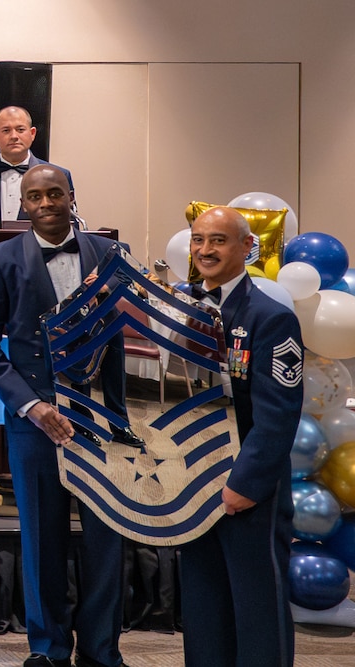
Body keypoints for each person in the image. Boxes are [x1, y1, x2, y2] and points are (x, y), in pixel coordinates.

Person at [0, 166, 125, 667]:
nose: (46, 203)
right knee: (40, 538)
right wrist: (30, 406)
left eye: (55, 193)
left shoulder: (111, 255)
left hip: (103, 421)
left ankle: (101, 652)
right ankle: (49, 649)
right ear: (24, 205)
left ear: (72, 196)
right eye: (35, 196)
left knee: (106, 540)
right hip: (35, 419)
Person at [177, 206, 303, 667]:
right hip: (190, 481)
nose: (205, 250)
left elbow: (278, 416)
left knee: (256, 607)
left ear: (247, 248)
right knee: (203, 603)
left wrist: (244, 485)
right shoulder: (177, 310)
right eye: (198, 240)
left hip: (248, 486)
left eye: (218, 241)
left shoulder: (270, 317)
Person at [0, 107, 73, 225]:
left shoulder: (58, 175)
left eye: (20, 129)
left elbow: (69, 228)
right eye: (6, 130)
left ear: (32, 133)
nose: (14, 136)